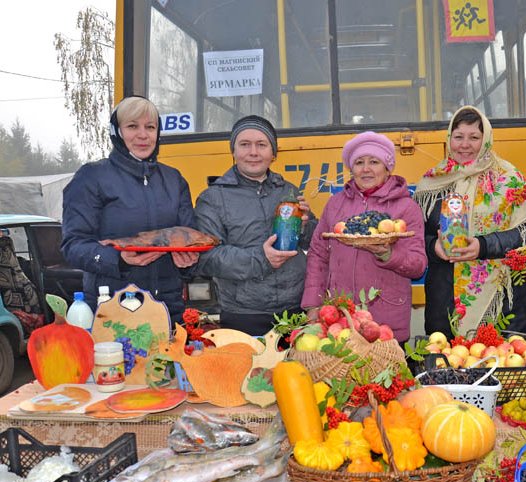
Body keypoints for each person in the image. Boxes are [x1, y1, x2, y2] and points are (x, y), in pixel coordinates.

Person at [61, 96, 198, 321]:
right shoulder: (91, 177)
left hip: (166, 308)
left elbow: (189, 236)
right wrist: (118, 258)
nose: (143, 135)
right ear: (117, 132)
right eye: (132, 126)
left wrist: (188, 260)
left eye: (150, 127)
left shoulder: (174, 180)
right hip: (112, 309)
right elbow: (73, 245)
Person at [413, 106, 526, 336]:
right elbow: (413, 237)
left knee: (498, 364)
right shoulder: (432, 182)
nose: (465, 145)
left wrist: (483, 246)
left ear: (486, 140)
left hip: (501, 300)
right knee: (450, 366)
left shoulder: (508, 177)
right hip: (444, 300)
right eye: (459, 137)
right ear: (449, 138)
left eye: (474, 137)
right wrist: (434, 247)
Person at [193, 115, 316, 335]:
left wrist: (306, 226)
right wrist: (262, 259)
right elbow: (207, 258)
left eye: (261, 145)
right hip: (245, 314)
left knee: (297, 370)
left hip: (295, 309)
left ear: (273, 153)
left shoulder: (287, 189)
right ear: (233, 152)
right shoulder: (212, 198)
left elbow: (312, 243)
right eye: (244, 145)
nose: (253, 152)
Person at [303, 131, 426, 343]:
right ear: (352, 169)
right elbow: (318, 255)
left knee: (388, 376)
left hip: (386, 322)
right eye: (359, 162)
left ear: (388, 168)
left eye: (374, 162)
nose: (366, 169)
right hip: (341, 318)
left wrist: (389, 255)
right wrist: (313, 305)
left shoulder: (406, 208)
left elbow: (418, 265)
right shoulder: (335, 204)